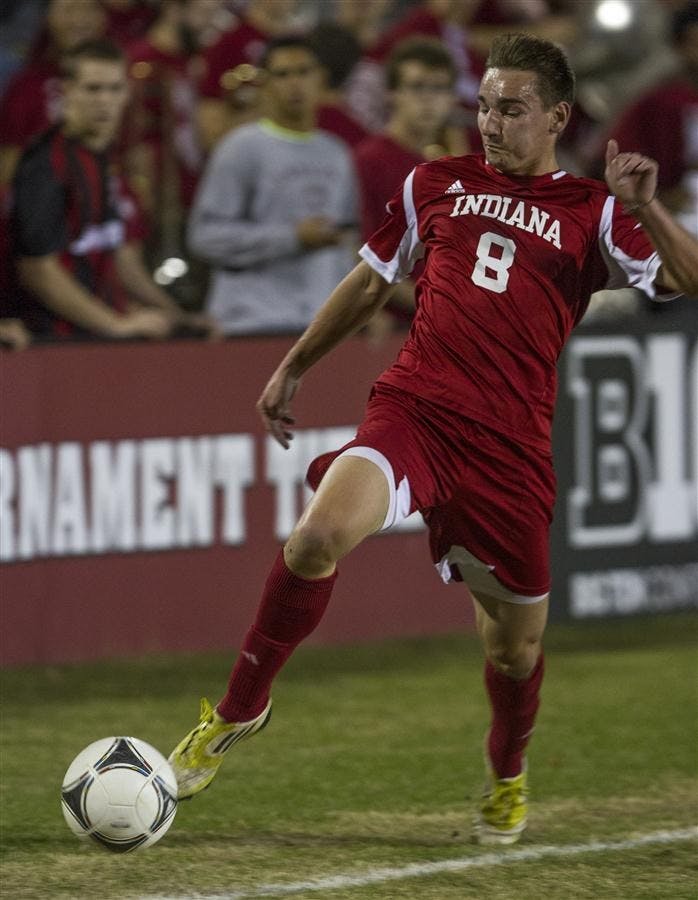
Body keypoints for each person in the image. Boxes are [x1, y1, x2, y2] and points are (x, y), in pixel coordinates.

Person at [167, 33, 697, 845]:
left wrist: (647, 207)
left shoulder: (593, 211)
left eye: (510, 108)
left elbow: (687, 279)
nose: (490, 122)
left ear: (555, 116)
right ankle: (239, 710)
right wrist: (293, 367)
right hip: (415, 412)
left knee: (513, 651)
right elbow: (370, 280)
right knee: (314, 538)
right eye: (482, 105)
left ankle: (507, 771)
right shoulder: (434, 183)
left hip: (510, 453)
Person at [10, 39, 215, 342]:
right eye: (92, 89)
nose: (104, 100)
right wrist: (113, 324)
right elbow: (38, 269)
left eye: (114, 88)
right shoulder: (46, 164)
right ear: (66, 91)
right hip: (51, 342)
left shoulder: (106, 161)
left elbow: (120, 256)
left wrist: (177, 318)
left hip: (98, 338)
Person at [187, 35, 357, 337]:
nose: (295, 83)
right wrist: (292, 238)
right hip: (252, 321)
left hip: (320, 324)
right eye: (282, 74)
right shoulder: (240, 147)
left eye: (304, 72)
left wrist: (355, 309)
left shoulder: (336, 152)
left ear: (321, 79)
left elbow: (345, 241)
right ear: (265, 85)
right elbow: (205, 236)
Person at [354, 37, 457, 330]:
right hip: (395, 325)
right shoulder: (368, 160)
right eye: (417, 87)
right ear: (391, 94)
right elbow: (359, 251)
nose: (428, 100)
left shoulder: (453, 165)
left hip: (447, 321)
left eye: (438, 88)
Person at [0, 0, 107, 187]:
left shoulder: (121, 79)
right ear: (48, 17)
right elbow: (9, 167)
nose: (79, 20)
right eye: (69, 9)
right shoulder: (27, 86)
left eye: (89, 9)